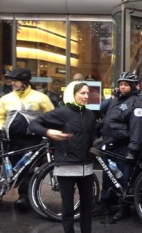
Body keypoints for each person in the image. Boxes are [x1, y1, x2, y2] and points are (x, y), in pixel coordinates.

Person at [29, 81, 96, 233]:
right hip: (66, 167)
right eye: (82, 93)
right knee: (67, 206)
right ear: (72, 94)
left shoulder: (89, 114)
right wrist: (48, 132)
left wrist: (100, 143)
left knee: (87, 206)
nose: (86, 96)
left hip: (87, 168)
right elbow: (33, 124)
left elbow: (93, 137)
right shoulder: (61, 113)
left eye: (87, 93)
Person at [91, 72, 142, 221]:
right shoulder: (116, 100)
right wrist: (97, 129)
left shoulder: (137, 103)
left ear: (133, 86)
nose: (122, 87)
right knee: (108, 175)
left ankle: (124, 207)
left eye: (125, 85)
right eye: (120, 84)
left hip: (125, 146)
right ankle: (105, 204)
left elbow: (138, 128)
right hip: (111, 144)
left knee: (124, 178)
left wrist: (133, 149)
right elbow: (109, 119)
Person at [0, 68, 54, 209]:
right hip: (10, 141)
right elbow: (1, 117)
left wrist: (48, 132)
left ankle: (24, 197)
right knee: (9, 169)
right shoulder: (6, 99)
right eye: (12, 80)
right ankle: (2, 191)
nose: (13, 83)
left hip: (32, 140)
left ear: (24, 82)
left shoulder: (41, 98)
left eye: (16, 80)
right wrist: (1, 128)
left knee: (29, 169)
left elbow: (51, 116)